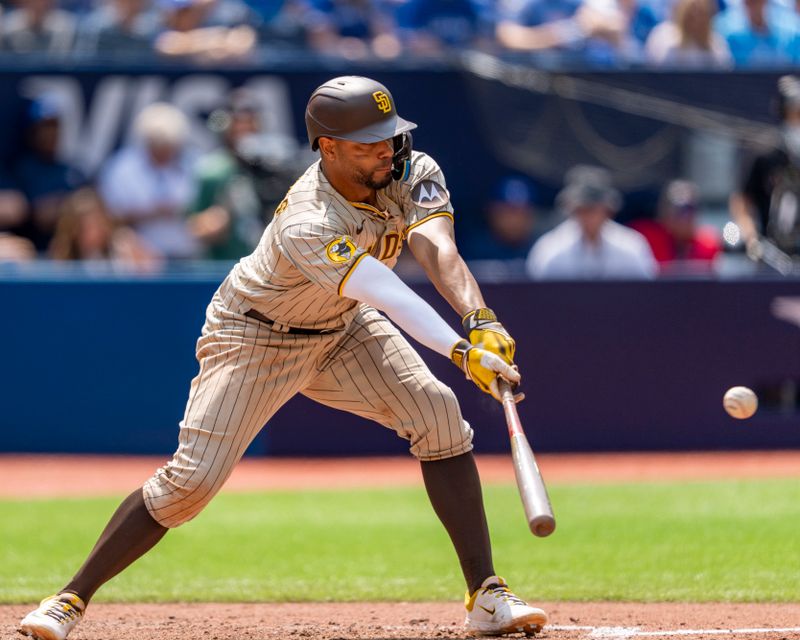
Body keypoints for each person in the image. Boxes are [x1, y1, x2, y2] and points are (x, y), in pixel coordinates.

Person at [18, 75, 548, 640]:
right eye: (368, 142)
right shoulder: (308, 218)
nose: (385, 150)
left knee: (439, 418)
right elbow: (387, 293)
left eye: (389, 135)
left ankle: (486, 595)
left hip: (341, 326)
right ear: (328, 146)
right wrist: (462, 352)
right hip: (255, 337)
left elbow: (437, 248)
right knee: (188, 486)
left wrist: (481, 321)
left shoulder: (412, 169)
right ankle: (69, 599)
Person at [187, 88, 300, 260]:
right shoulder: (213, 171)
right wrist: (225, 213)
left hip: (270, 266)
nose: (244, 129)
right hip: (225, 269)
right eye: (238, 123)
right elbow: (195, 230)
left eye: (250, 123)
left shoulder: (276, 167)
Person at [99, 102, 199, 260]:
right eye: (158, 144)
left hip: (189, 258)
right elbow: (109, 218)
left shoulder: (194, 164)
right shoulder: (121, 169)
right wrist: (151, 213)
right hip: (137, 263)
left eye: (169, 145)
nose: (164, 151)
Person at [526, 165, 657, 279]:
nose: (588, 216)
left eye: (593, 208)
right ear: (571, 209)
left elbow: (645, 295)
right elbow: (538, 299)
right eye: (582, 209)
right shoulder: (550, 250)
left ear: (608, 209)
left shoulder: (631, 246)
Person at [730, 74, 800, 259]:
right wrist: (752, 239)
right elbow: (741, 202)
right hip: (773, 254)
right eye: (796, 113)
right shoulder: (765, 153)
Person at [629, 179, 720, 274]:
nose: (685, 217)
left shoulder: (708, 243)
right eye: (679, 210)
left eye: (690, 209)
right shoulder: (643, 238)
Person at [645, 0, 733, 68]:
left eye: (701, 13)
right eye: (692, 13)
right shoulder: (663, 36)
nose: (696, 18)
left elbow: (724, 71)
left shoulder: (716, 44)